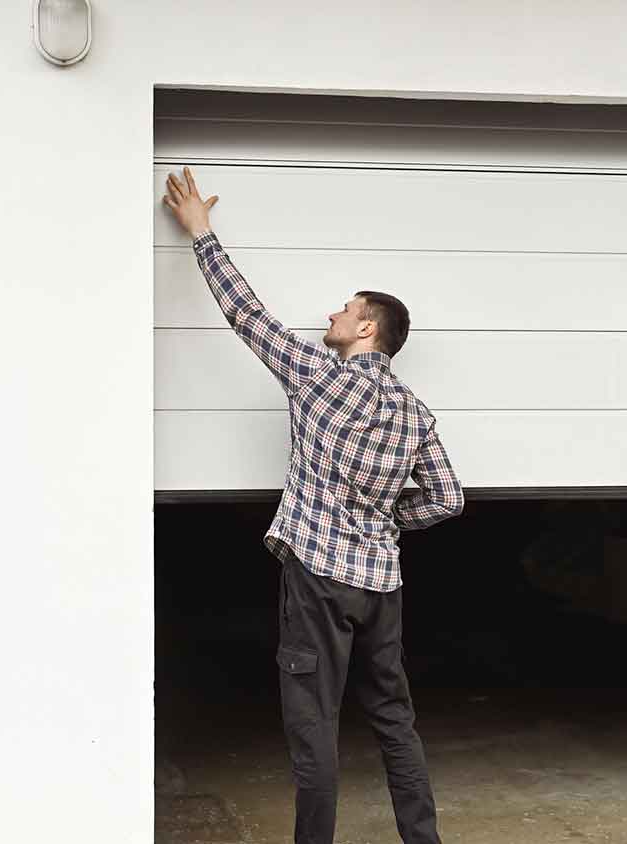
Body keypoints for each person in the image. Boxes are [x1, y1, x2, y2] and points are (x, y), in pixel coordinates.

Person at [163, 168, 465, 844]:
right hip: (380, 588)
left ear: (364, 326)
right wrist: (388, 522)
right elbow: (447, 499)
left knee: (313, 726)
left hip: (319, 583)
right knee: (395, 722)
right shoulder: (414, 412)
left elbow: (248, 315)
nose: (329, 314)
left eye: (341, 308)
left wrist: (202, 234)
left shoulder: (318, 376)